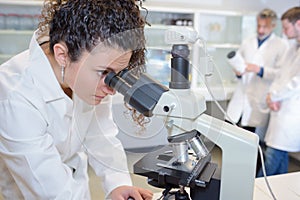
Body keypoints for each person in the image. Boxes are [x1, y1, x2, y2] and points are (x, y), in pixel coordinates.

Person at [0, 0, 153, 199]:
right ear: (62, 55)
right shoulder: (14, 97)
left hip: (77, 186)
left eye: (117, 74)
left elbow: (100, 135)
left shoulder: (88, 73)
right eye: (104, 72)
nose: (111, 89)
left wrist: (118, 184)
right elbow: (51, 190)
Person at [226, 8, 288, 135]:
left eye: (265, 27)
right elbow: (239, 63)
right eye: (259, 26)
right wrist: (238, 72)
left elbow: (281, 74)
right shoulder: (247, 42)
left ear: (273, 26)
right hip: (240, 96)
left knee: (251, 139)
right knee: (231, 133)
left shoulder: (282, 45)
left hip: (259, 98)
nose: (260, 30)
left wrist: (259, 70)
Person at [256, 7, 300, 177]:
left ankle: (254, 192)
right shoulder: (292, 48)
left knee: (272, 160)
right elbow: (280, 75)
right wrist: (271, 96)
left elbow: (296, 83)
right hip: (279, 109)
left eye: (286, 27)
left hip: (291, 114)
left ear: (298, 24)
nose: (284, 31)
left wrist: (274, 96)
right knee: (279, 163)